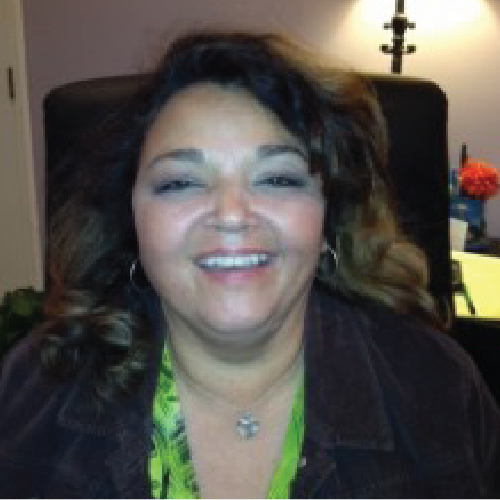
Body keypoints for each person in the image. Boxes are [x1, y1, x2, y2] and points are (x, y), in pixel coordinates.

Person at [0, 31, 499, 498]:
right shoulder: (33, 389)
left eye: (278, 179)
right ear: (130, 221)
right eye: (180, 182)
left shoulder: (437, 387)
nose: (232, 215)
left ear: (328, 216)